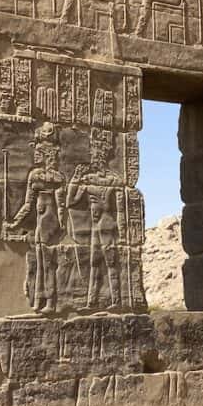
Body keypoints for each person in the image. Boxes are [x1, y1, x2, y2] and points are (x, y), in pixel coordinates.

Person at [7, 123, 66, 314]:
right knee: (40, 265)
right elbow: (27, 205)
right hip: (42, 224)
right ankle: (39, 298)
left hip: (49, 225)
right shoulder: (36, 176)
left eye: (39, 153)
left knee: (47, 265)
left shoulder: (55, 178)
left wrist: (62, 225)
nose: (36, 156)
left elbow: (61, 206)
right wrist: (15, 223)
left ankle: (49, 300)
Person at [66, 129, 122, 311]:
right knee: (94, 262)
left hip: (107, 224)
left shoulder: (113, 180)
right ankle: (92, 302)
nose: (94, 158)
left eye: (97, 155)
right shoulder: (88, 179)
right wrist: (75, 179)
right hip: (96, 225)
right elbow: (71, 201)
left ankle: (117, 300)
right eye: (93, 154)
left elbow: (120, 208)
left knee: (111, 263)